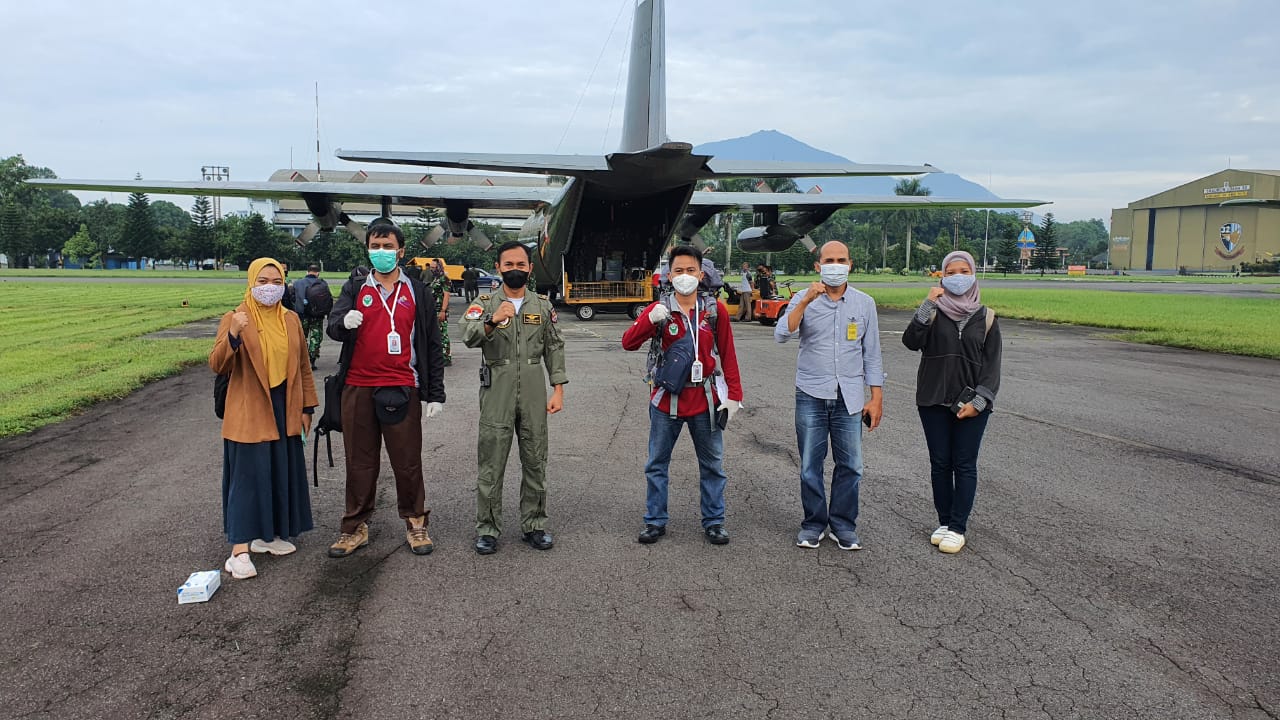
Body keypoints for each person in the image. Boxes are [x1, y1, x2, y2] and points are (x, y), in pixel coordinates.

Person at [325, 220, 446, 558]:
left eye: (387, 246)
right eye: (375, 247)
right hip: (358, 386)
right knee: (360, 462)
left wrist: (435, 393)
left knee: (407, 461)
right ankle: (354, 527)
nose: (381, 253)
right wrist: (344, 322)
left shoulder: (417, 292)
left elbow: (432, 345)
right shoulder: (354, 287)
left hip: (402, 386)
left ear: (401, 251)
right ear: (367, 249)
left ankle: (416, 521)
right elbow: (334, 326)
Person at [621, 245, 744, 545]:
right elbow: (627, 343)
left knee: (712, 465)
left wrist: (734, 395)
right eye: (679, 271)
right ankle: (655, 520)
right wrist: (649, 320)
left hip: (705, 400)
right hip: (667, 400)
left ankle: (714, 521)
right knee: (657, 463)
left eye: (691, 270)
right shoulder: (660, 310)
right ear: (669, 275)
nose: (685, 276)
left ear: (701, 275)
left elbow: (728, 354)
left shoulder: (715, 311)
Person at [209, 257, 318, 579]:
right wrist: (232, 335)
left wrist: (306, 407)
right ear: (251, 283)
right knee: (248, 477)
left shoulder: (291, 320)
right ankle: (239, 550)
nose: (269, 288)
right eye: (262, 281)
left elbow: (302, 367)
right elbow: (217, 364)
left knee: (278, 470)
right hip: (249, 406)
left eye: (276, 281)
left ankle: (267, 536)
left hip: (285, 404)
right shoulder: (236, 316)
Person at [774, 241, 884, 551]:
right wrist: (806, 299)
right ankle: (813, 524)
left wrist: (876, 397)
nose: (835, 265)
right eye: (829, 260)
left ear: (850, 264)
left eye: (841, 260)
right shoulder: (803, 298)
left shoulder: (864, 304)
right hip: (811, 392)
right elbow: (782, 333)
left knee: (851, 465)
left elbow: (871, 354)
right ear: (818, 266)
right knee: (811, 463)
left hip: (849, 396)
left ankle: (843, 525)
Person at [461, 241, 567, 555]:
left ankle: (534, 525)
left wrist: (558, 389)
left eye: (521, 264)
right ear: (498, 267)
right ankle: (488, 529)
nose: (515, 270)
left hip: (534, 388)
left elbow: (554, 347)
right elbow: (466, 335)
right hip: (498, 388)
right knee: (491, 462)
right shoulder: (485, 302)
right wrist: (493, 320)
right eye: (509, 265)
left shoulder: (542, 305)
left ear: (530, 268)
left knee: (535, 460)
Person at [902, 250, 1001, 554]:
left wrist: (981, 401)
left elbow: (992, 366)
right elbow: (910, 342)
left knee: (964, 463)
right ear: (942, 276)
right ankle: (944, 521)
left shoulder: (987, 317)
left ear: (973, 274)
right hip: (932, 399)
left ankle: (958, 527)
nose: (958, 277)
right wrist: (927, 303)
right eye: (951, 271)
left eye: (964, 270)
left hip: (971, 403)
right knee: (940, 463)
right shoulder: (933, 312)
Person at [291, 264, 326, 369]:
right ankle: (312, 359)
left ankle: (302, 359)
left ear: (307, 272)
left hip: (302, 314)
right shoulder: (322, 284)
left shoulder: (297, 283)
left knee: (302, 337)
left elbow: (292, 298)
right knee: (315, 337)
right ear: (318, 273)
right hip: (317, 315)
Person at [428, 259, 452, 366]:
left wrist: (443, 310)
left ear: (439, 267)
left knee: (443, 334)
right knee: (437, 333)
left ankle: (446, 358)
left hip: (440, 310)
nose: (432, 269)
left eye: (434, 267)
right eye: (431, 268)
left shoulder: (444, 279)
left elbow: (446, 295)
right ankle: (439, 356)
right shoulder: (436, 279)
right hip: (434, 310)